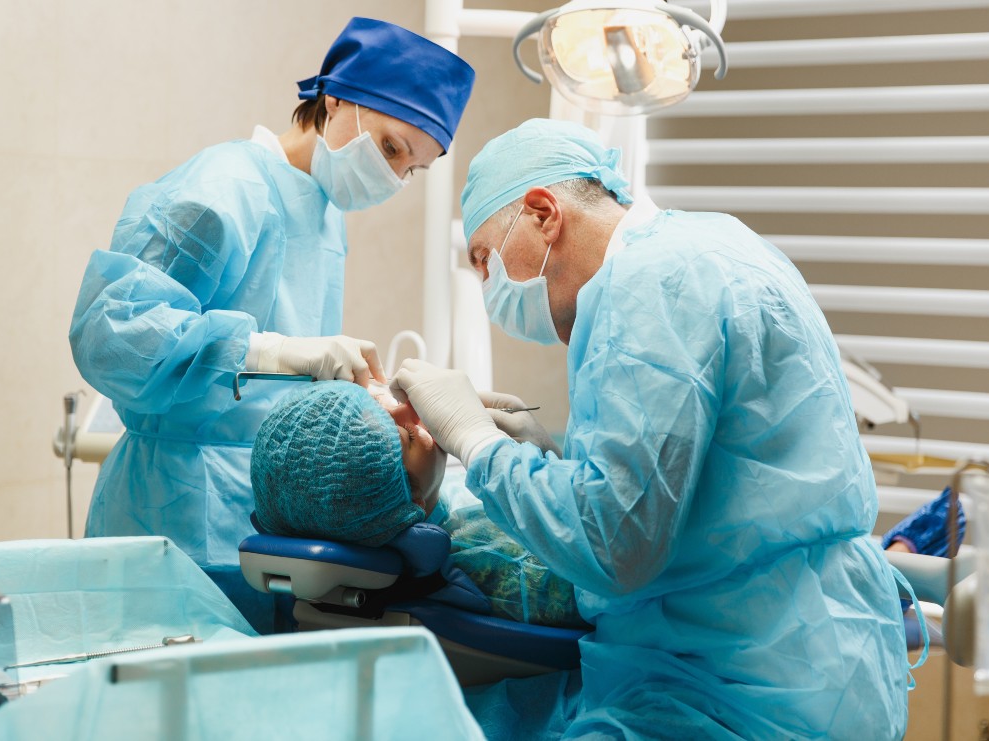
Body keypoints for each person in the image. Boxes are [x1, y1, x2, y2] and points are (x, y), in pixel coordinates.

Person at [389, 119, 911, 740]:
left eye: (485, 260)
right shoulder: (711, 245)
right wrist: (550, 460)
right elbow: (701, 484)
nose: (488, 288)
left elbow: (618, 544)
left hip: (737, 695)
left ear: (542, 213)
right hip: (811, 661)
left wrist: (477, 443)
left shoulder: (652, 287)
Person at [69, 17, 475, 631]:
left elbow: (282, 386)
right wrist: (282, 354)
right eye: (392, 148)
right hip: (173, 512)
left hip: (266, 524)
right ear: (337, 99)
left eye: (412, 168)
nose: (394, 177)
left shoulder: (321, 208)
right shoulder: (225, 185)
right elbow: (114, 334)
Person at [249, 381, 586, 629]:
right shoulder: (494, 562)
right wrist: (550, 467)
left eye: (375, 399)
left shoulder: (345, 513)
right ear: (411, 501)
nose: (409, 407)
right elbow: (608, 566)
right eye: (408, 435)